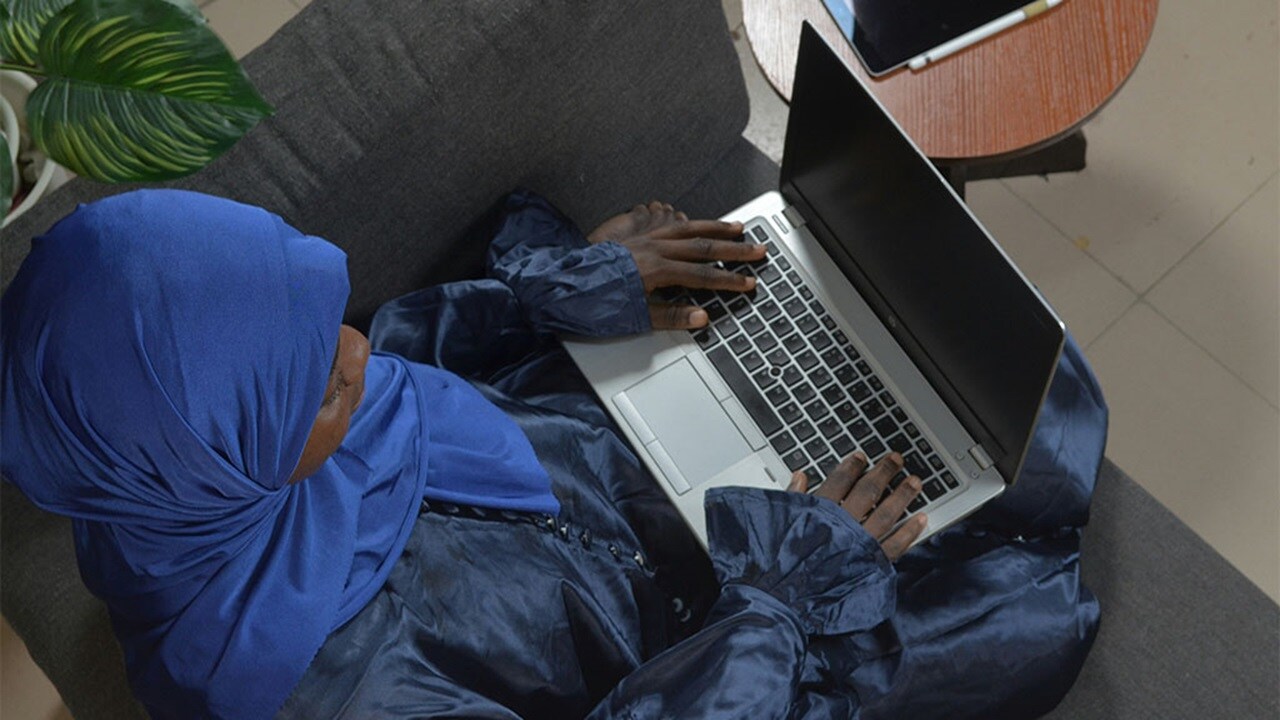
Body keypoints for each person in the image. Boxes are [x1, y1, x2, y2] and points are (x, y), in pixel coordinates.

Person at [0, 189, 1106, 720]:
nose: (353, 349)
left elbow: (391, 345)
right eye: (322, 385)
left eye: (318, 310)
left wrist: (559, 292)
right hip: (695, 652)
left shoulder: (176, 449)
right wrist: (775, 602)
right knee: (1036, 605)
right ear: (212, 466)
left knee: (1032, 409)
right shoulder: (318, 695)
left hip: (622, 457)